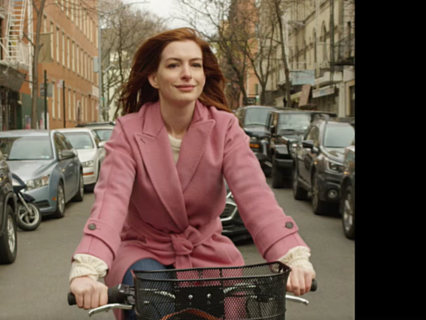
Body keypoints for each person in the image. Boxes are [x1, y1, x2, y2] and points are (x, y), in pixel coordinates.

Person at [68, 28, 316, 319]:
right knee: (152, 299)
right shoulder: (129, 131)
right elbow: (110, 201)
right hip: (145, 251)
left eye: (195, 65)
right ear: (154, 78)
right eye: (174, 65)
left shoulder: (224, 127)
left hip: (208, 252)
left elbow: (255, 195)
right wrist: (88, 269)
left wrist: (291, 257)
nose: (187, 73)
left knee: (234, 306)